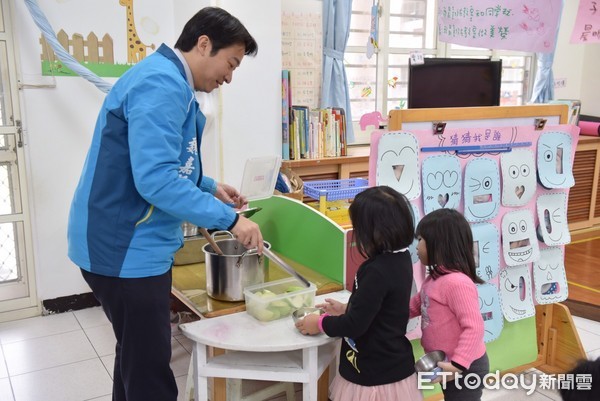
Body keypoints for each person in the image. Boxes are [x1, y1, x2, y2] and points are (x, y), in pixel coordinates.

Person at [67, 7, 261, 401]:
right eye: (231, 63)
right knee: (150, 371)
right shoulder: (161, 84)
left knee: (135, 357)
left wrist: (208, 186)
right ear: (204, 44)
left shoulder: (166, 79)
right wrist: (231, 219)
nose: (229, 76)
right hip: (125, 250)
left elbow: (165, 162)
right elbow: (155, 180)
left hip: (122, 243)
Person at [295, 186, 423, 401]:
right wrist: (348, 308)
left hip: (372, 373)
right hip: (392, 365)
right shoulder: (400, 260)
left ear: (375, 232)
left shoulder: (376, 271)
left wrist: (319, 323)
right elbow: (384, 308)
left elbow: (355, 325)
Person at [409, 208, 488, 401]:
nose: (417, 247)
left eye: (420, 240)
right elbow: (415, 306)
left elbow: (474, 327)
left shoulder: (457, 283)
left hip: (465, 367)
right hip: (446, 363)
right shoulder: (434, 280)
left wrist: (458, 365)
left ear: (439, 244)